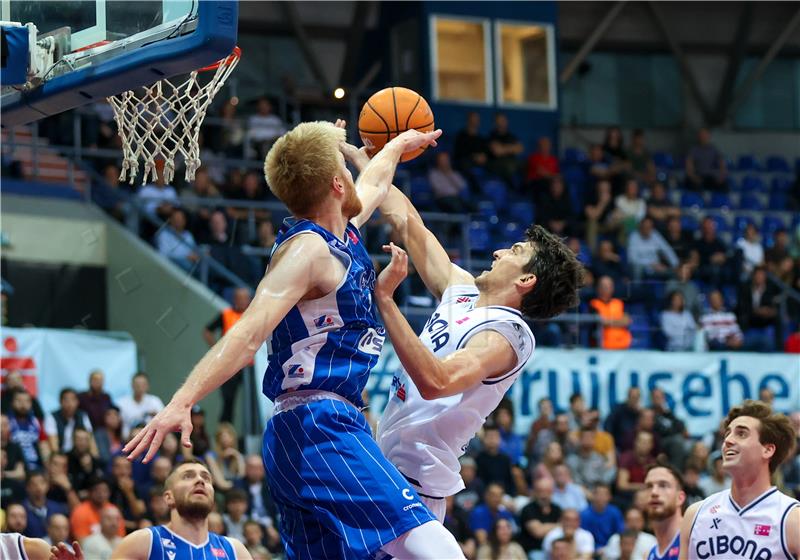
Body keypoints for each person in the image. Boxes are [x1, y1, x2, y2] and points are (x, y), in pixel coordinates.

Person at [122, 121, 462, 559]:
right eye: (343, 165)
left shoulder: (342, 229)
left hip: (308, 430)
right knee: (433, 543)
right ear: (338, 184)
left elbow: (374, 183)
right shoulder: (308, 251)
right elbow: (247, 334)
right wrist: (183, 399)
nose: (354, 173)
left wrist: (396, 144)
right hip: (318, 425)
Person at [371, 176, 581, 515]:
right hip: (386, 470)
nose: (498, 252)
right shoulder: (463, 290)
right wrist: (371, 162)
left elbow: (436, 382)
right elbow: (409, 224)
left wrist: (386, 301)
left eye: (514, 252)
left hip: (414, 489)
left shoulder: (506, 335)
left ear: (526, 280)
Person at [51, 459, 252, 560]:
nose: (200, 480)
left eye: (206, 478)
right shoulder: (143, 543)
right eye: (188, 476)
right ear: (168, 497)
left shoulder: (235, 550)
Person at [679, 400, 799, 560]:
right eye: (727, 433)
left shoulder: (792, 518)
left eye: (741, 433)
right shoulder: (695, 514)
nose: (728, 440)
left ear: (767, 450)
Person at [202, 287, 254, 424]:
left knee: (253, 400)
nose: (243, 301)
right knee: (228, 400)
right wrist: (217, 350)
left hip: (249, 365)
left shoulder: (254, 315)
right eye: (239, 298)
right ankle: (225, 433)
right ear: (234, 299)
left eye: (245, 298)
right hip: (230, 365)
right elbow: (207, 331)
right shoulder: (226, 314)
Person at [645, 464, 685, 560]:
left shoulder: (697, 538)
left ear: (680, 498)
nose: (654, 492)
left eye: (663, 485)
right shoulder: (648, 555)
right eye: (649, 486)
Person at [44, 388, 93, 454]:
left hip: (79, 454)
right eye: (66, 400)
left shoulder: (82, 415)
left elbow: (90, 440)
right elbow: (53, 444)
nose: (70, 404)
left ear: (77, 402)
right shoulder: (52, 417)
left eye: (73, 400)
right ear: (60, 402)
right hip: (61, 454)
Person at [116, 372, 164, 438]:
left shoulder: (155, 401)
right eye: (137, 384)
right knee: (136, 435)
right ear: (132, 385)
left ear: (147, 386)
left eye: (143, 384)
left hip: (152, 435)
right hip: (129, 437)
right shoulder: (121, 403)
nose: (140, 387)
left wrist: (156, 415)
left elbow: (165, 421)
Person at [590, 276, 632, 350]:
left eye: (609, 286)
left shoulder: (618, 303)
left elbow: (627, 321)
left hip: (623, 346)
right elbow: (601, 321)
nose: (606, 288)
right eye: (604, 286)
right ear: (598, 288)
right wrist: (619, 321)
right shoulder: (594, 304)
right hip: (603, 348)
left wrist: (609, 321)